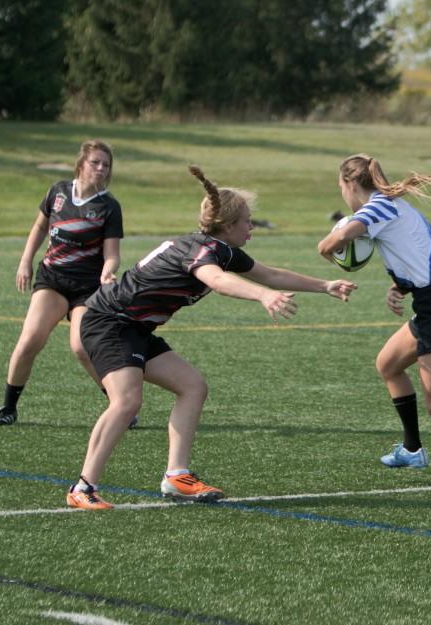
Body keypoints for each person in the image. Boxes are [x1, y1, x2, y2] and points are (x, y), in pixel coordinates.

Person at [65, 165, 357, 509]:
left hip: (134, 326)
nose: (251, 226)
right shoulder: (203, 252)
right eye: (247, 221)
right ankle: (83, 488)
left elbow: (271, 274)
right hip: (109, 322)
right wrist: (261, 296)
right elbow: (217, 280)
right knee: (127, 401)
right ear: (228, 225)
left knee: (192, 386)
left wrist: (324, 286)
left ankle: (176, 476)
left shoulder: (221, 249)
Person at [317, 154, 431, 504]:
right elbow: (428, 254)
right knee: (388, 364)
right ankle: (412, 448)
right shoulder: (392, 206)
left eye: (340, 187)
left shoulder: (378, 209)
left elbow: (336, 240)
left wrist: (328, 247)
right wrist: (401, 287)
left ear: (349, 184)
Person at [0, 140, 128, 427]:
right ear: (81, 164)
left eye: (106, 165)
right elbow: (40, 226)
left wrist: (107, 273)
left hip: (87, 286)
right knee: (30, 340)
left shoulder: (109, 206)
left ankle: (121, 406)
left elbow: (112, 255)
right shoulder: (58, 192)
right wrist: (26, 260)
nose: (101, 169)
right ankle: (8, 408)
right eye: (95, 162)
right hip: (52, 279)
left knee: (82, 347)